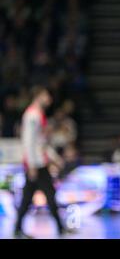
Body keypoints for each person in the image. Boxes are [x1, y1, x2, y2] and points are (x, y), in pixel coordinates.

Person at [14, 86, 70, 238]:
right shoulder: (32, 115)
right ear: (38, 96)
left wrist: (55, 158)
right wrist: (31, 165)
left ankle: (18, 229)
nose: (49, 99)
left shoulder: (39, 115)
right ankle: (60, 227)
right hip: (36, 165)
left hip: (40, 162)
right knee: (48, 195)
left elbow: (41, 143)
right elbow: (28, 141)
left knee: (29, 197)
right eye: (46, 95)